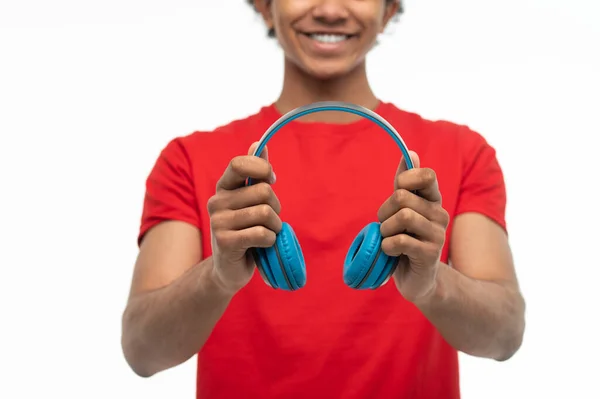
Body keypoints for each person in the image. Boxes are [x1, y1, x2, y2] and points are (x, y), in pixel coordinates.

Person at [120, 1, 526, 398]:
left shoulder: (463, 153)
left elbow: (504, 336)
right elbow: (143, 352)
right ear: (264, 6)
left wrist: (432, 285)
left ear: (388, 9)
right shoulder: (188, 159)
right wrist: (218, 277)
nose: (330, 10)